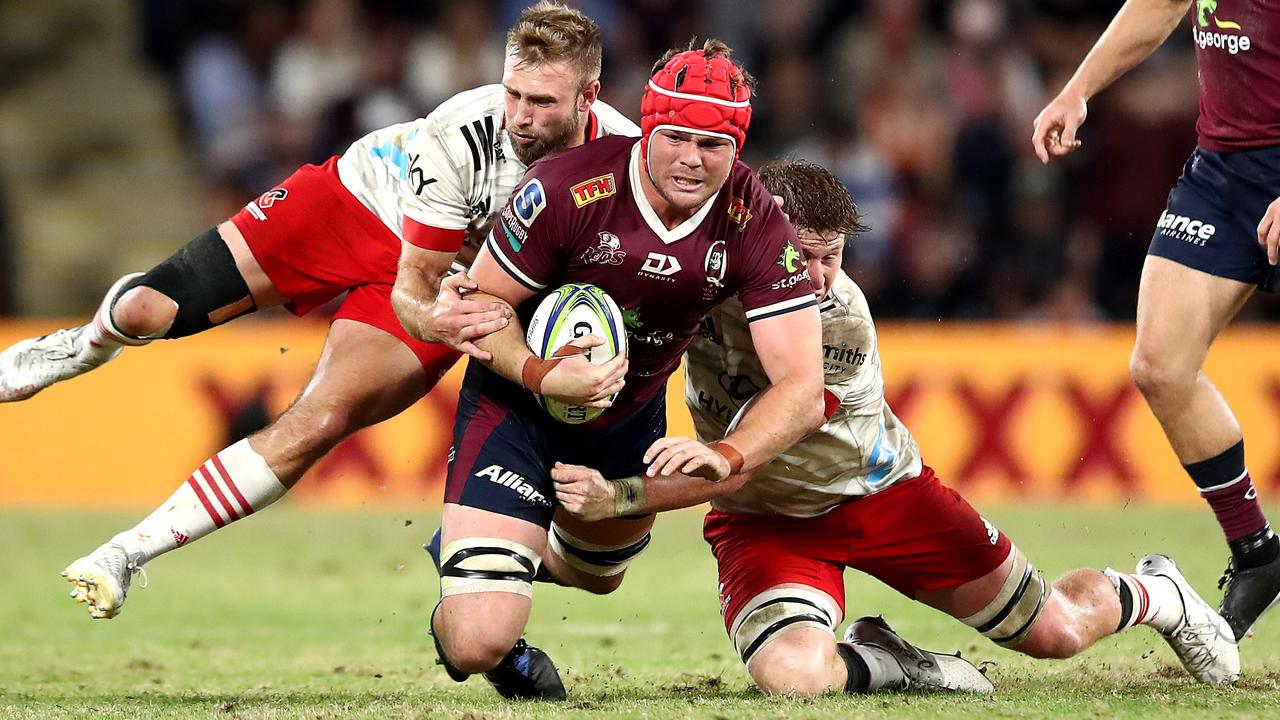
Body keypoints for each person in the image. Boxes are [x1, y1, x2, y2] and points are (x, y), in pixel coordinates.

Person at [6, 2, 638, 620]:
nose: (520, 118)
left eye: (543, 103)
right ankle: (82, 346)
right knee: (148, 309)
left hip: (466, 276)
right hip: (361, 204)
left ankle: (126, 552)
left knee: (322, 417)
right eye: (513, 95)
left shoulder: (624, 163)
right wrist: (443, 323)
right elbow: (412, 293)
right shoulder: (460, 134)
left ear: (589, 98)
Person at [549, 159, 1241, 697]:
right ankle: (895, 663)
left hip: (883, 498)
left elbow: (751, 454)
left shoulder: (839, 317)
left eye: (834, 256)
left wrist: (626, 497)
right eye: (805, 255)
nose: (819, 278)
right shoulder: (700, 280)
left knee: (1055, 633)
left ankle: (1158, 593)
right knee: (793, 678)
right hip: (765, 522)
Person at [425, 40, 836, 701]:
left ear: (738, 149)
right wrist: (539, 373)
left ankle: (492, 552)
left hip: (628, 418)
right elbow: (480, 310)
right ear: (647, 127)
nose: (692, 160)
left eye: (713, 145)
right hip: (517, 407)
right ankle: (482, 592)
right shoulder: (565, 188)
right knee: (479, 640)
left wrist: (727, 456)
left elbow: (802, 387)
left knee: (598, 575)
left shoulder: (754, 220)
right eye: (675, 137)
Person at [1031, 0, 1280, 642]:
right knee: (1161, 366)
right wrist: (1078, 90)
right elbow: (1160, 5)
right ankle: (1258, 552)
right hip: (1224, 173)